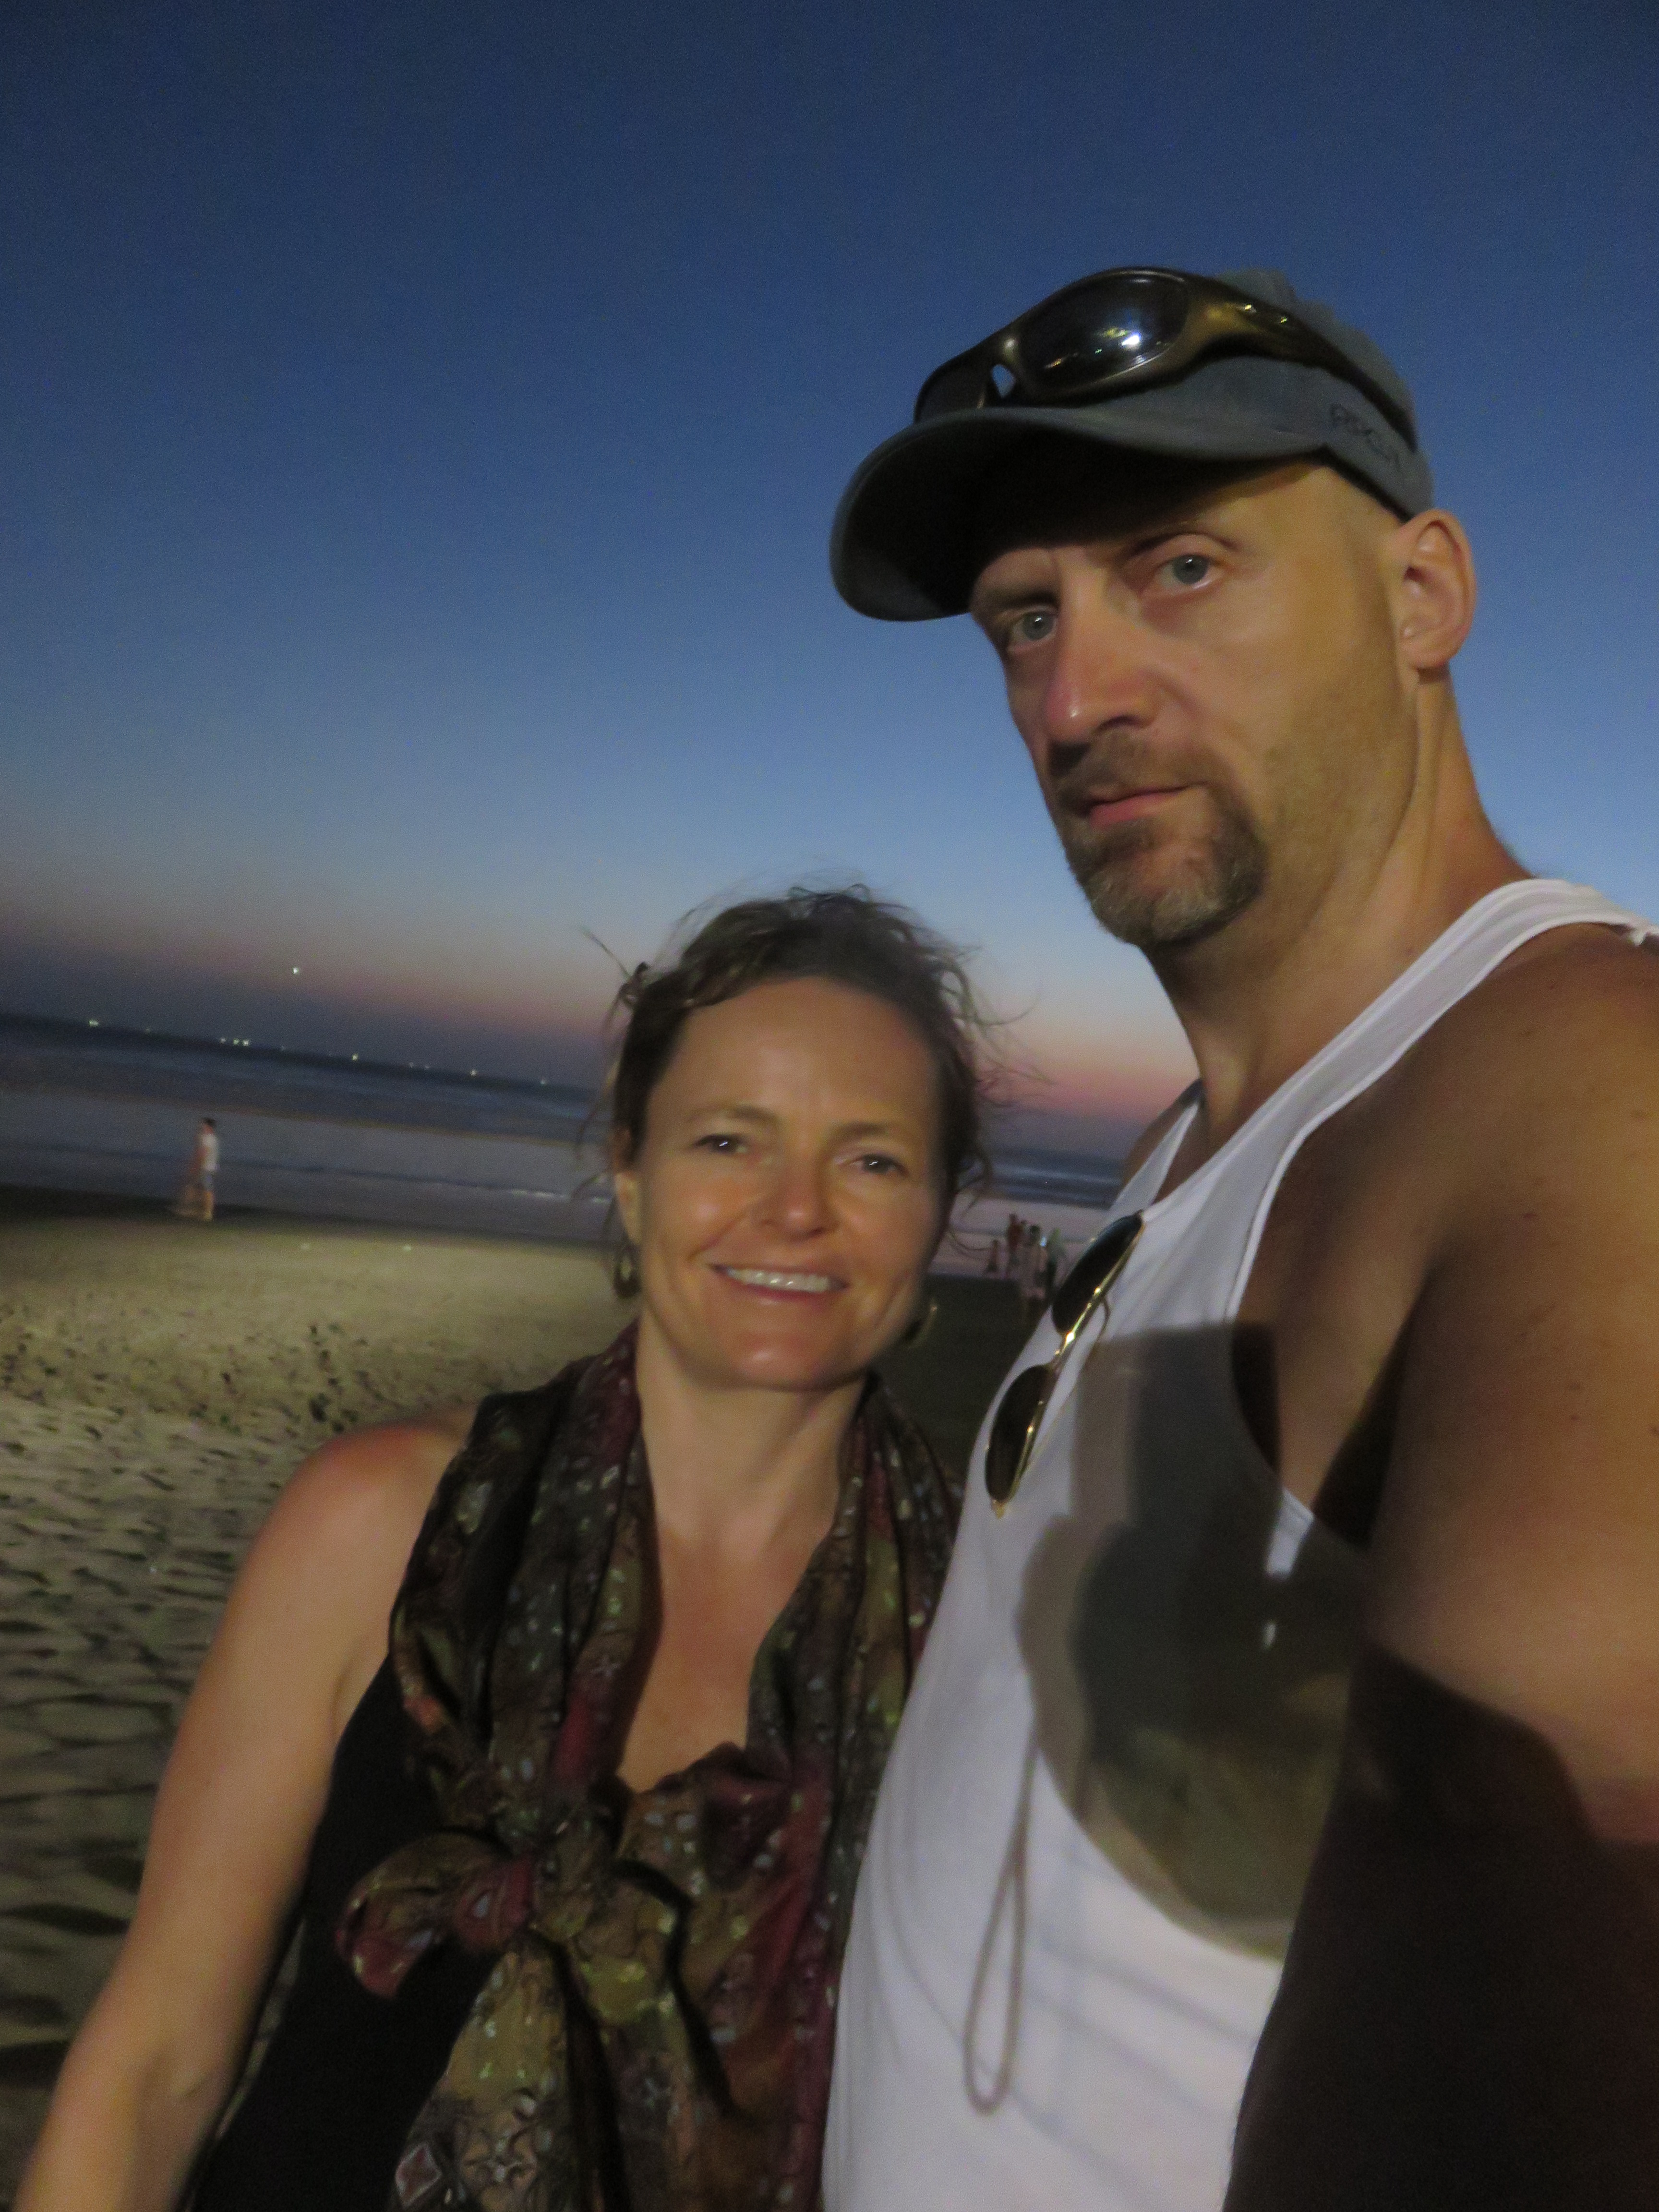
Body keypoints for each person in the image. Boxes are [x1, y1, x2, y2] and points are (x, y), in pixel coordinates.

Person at [822, 265, 1659, 2209]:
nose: (1073, 701)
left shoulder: (1576, 1098)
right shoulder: (1197, 1141)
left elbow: (1545, 2026)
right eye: (1026, 618)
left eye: (1179, 568)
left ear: (1421, 594)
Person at [19, 887, 986, 2212]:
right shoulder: (380, 1519)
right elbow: (155, 2068)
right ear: (632, 1174)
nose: (794, 1211)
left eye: (871, 1160)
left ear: (942, 1210)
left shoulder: (977, 1621)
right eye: (728, 1140)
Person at [175, 1115, 220, 1221]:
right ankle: (194, 1210)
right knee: (197, 1188)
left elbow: (203, 1154)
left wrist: (196, 1166)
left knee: (206, 1190)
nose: (201, 1127)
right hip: (207, 1168)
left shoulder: (208, 1139)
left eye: (203, 1125)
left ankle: (206, 1213)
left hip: (206, 1169)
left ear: (208, 1126)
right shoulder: (210, 1138)